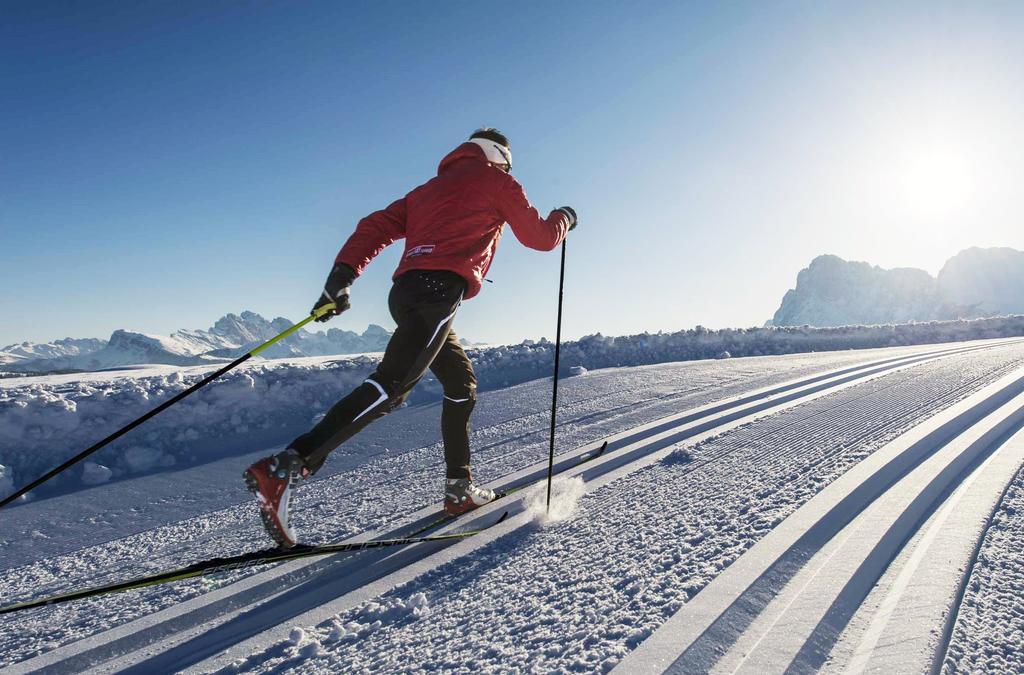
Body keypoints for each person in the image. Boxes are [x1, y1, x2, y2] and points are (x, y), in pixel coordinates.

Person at [243, 128, 578, 547]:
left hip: (405, 294)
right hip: (439, 293)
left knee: (460, 385)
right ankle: (288, 465)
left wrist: (341, 277)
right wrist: (565, 217)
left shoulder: (427, 190)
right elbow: (541, 238)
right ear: (500, 158)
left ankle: (459, 489)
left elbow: (373, 227)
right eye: (508, 164)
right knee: (393, 387)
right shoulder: (496, 180)